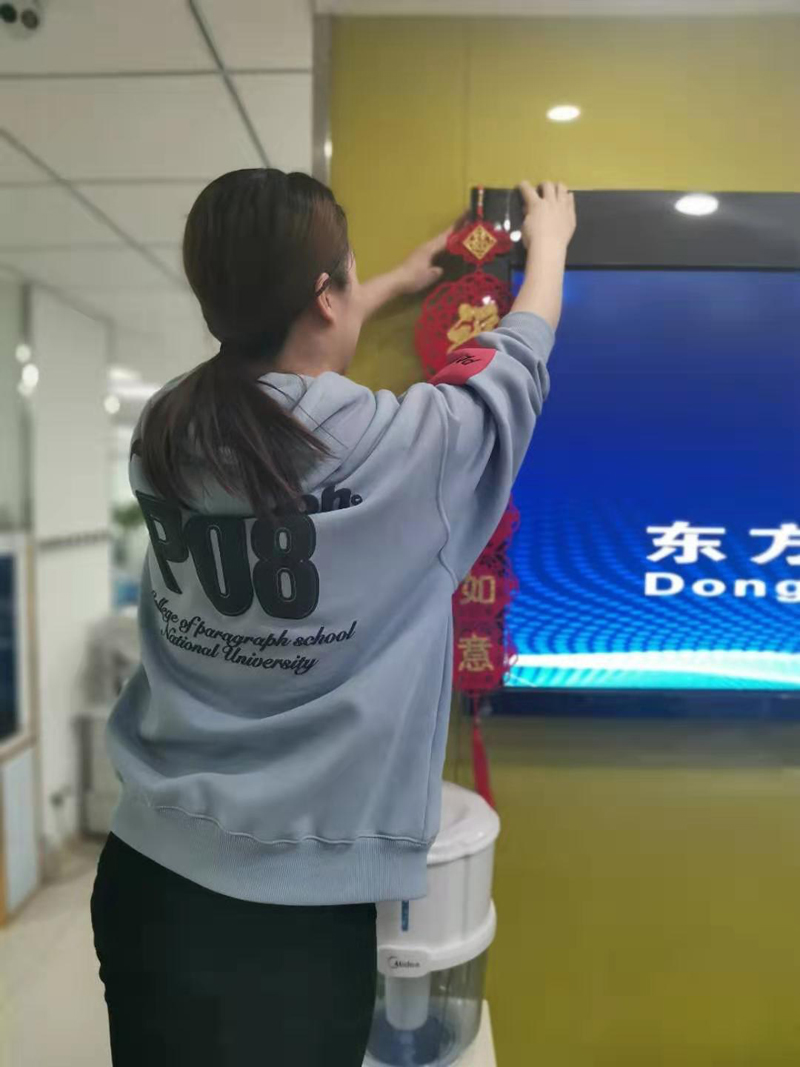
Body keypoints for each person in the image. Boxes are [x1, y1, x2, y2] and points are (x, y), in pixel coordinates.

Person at [91, 171, 576, 1066]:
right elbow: (517, 363)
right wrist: (550, 246)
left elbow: (274, 369)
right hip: (298, 920)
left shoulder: (164, 432)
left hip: (146, 877)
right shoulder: (408, 452)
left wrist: (380, 284)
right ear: (323, 296)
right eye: (345, 277)